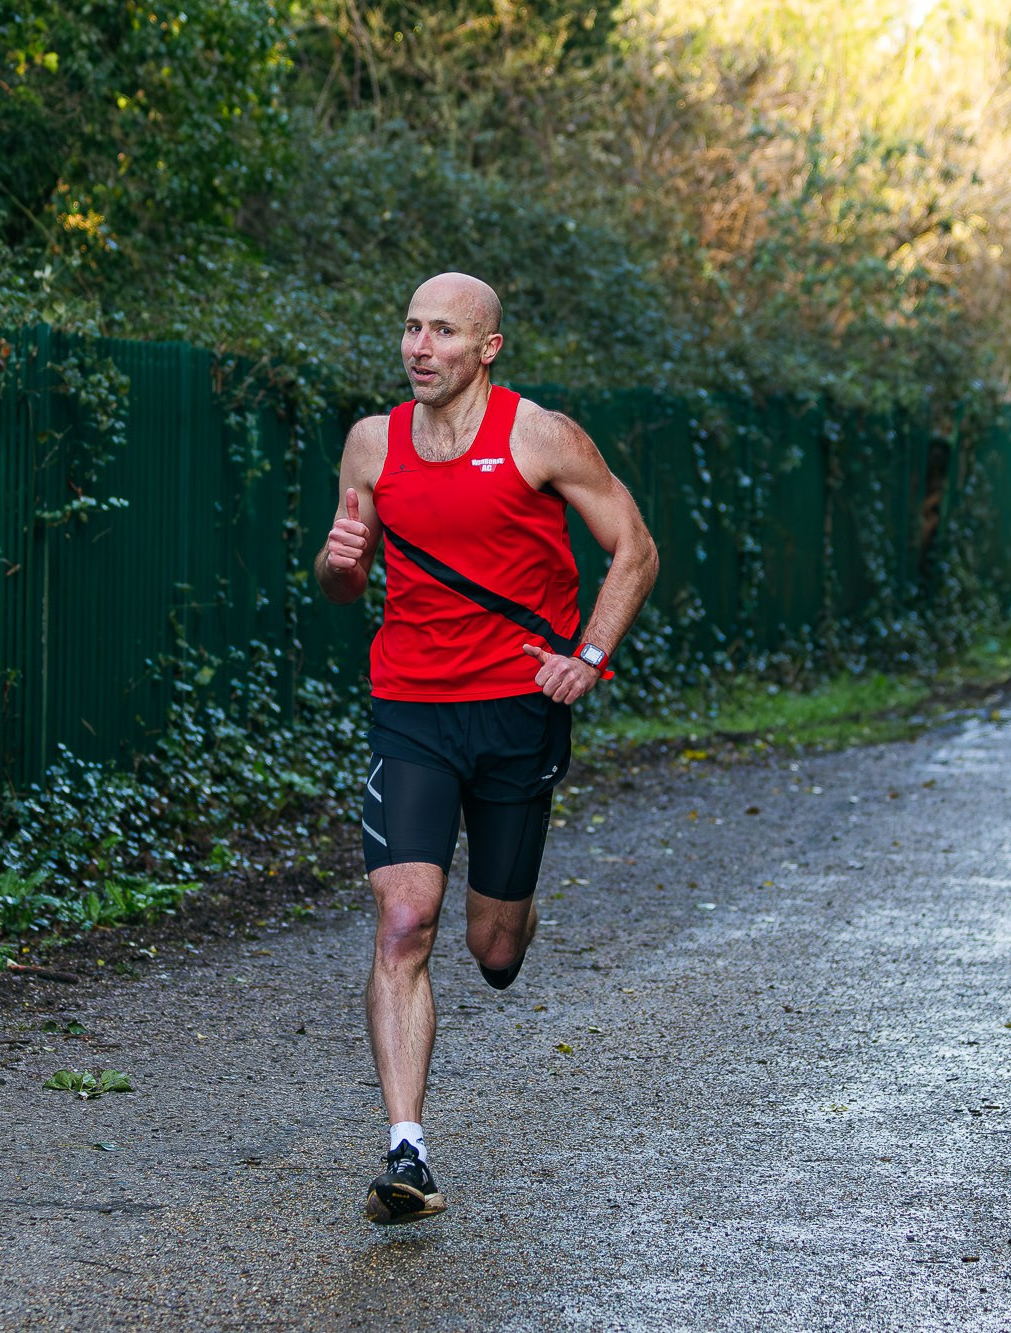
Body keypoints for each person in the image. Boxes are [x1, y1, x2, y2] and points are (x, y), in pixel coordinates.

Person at [315, 272, 660, 1225]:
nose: (419, 347)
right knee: (403, 924)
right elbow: (343, 577)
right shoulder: (372, 442)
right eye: (410, 326)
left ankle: (509, 915)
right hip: (412, 707)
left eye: (443, 332)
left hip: (519, 708)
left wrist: (588, 656)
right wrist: (339, 567)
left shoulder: (541, 436)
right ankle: (407, 1151)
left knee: (493, 949)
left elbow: (634, 547)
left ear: (488, 347)